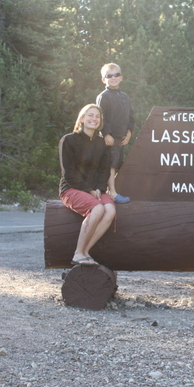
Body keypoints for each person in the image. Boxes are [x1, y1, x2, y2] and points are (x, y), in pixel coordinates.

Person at [59, 104, 116, 266]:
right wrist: (89, 189)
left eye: (97, 116)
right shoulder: (68, 140)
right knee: (98, 208)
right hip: (71, 188)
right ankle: (78, 253)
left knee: (110, 210)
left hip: (95, 189)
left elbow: (103, 170)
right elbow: (68, 173)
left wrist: (98, 188)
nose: (94, 119)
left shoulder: (102, 143)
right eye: (90, 115)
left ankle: (85, 252)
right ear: (82, 119)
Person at [96, 62, 135, 204]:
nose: (113, 78)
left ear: (121, 78)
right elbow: (101, 117)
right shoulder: (103, 96)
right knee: (111, 165)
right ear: (103, 79)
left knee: (118, 164)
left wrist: (129, 132)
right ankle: (112, 192)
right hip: (109, 138)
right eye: (109, 76)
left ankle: (113, 190)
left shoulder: (125, 97)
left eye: (116, 75)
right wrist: (106, 134)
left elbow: (131, 116)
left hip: (121, 138)